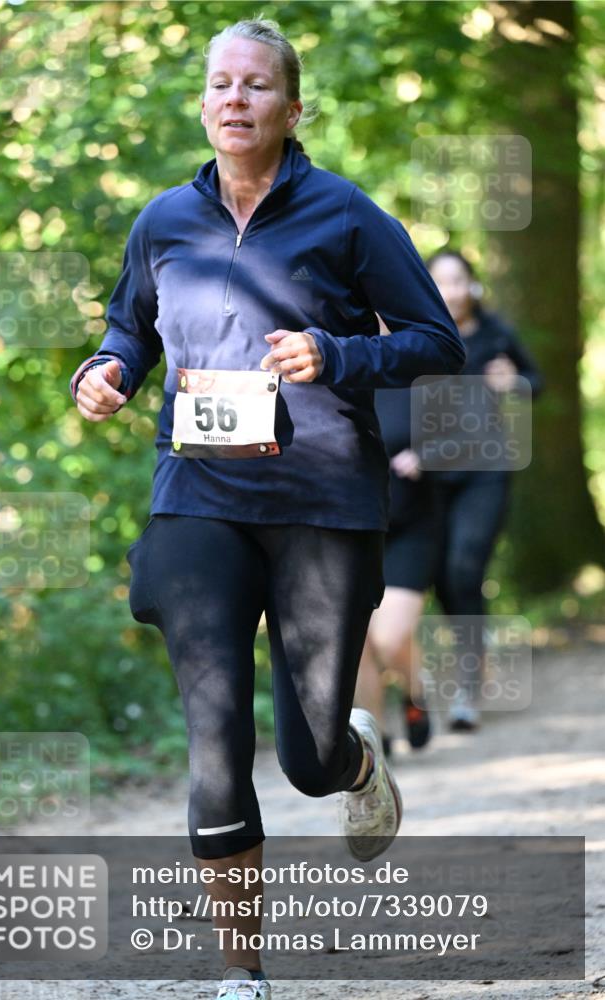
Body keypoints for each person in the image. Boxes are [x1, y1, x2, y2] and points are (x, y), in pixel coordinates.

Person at [70, 18, 465, 996]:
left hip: (324, 500)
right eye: (220, 84)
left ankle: (354, 763)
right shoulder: (164, 219)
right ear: (203, 103)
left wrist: (338, 354)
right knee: (213, 728)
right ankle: (241, 971)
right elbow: (132, 324)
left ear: (291, 109)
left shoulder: (345, 215)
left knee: (307, 755)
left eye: (255, 85)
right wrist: (110, 367)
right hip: (200, 490)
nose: (234, 99)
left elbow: (433, 341)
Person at [424, 250, 543, 731]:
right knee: (442, 578)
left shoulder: (496, 334)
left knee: (464, 565)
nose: (450, 290)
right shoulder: (422, 333)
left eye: (458, 280)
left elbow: (538, 381)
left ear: (472, 286)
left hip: (485, 468)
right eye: (440, 282)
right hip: (432, 472)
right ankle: (473, 649)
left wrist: (513, 381)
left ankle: (467, 687)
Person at [353, 373, 438, 757]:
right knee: (356, 644)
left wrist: (429, 453)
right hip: (348, 529)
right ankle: (375, 741)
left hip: (411, 527)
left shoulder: (419, 369)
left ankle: (414, 691)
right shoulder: (326, 370)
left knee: (388, 638)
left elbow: (472, 432)